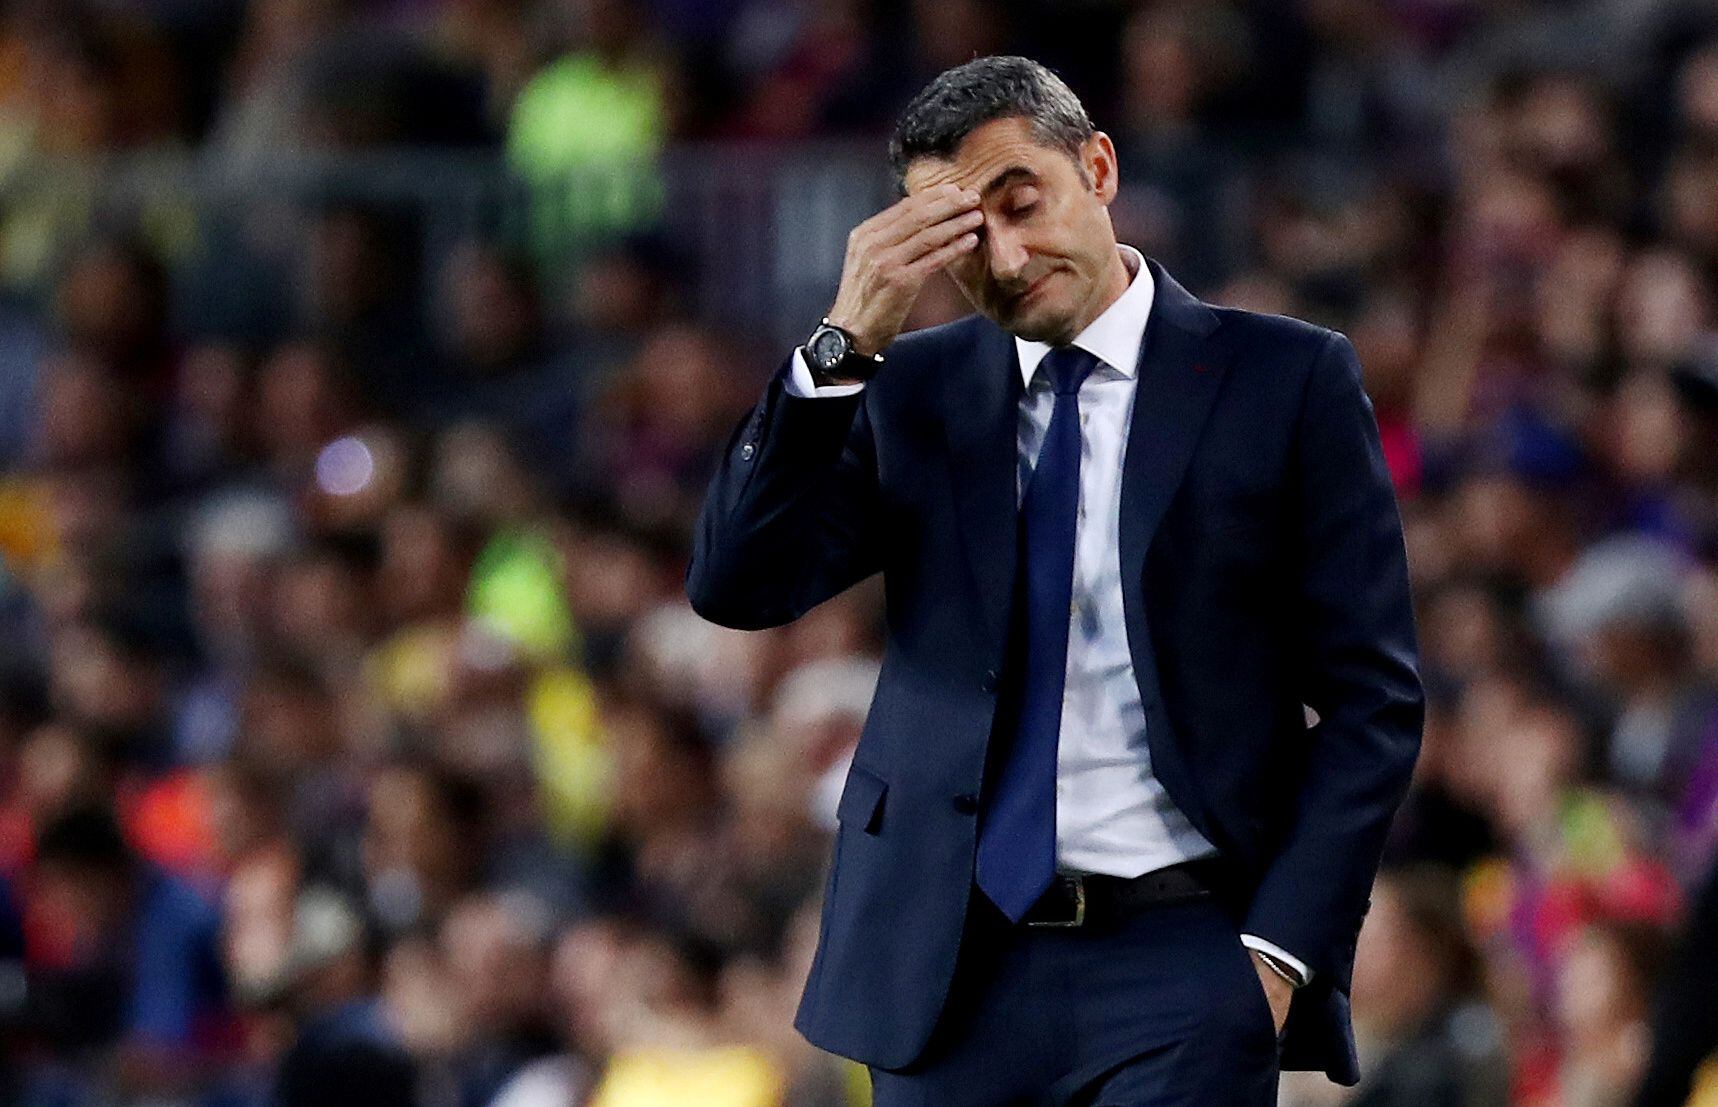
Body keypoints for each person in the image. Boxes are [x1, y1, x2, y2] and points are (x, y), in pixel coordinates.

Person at [687, 56, 1423, 1105]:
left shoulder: (1283, 378)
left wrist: (1278, 954)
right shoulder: (910, 390)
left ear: (1099, 168)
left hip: (1185, 958)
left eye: (1019, 202)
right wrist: (840, 345)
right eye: (960, 235)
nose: (1004, 255)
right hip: (945, 968)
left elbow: (1371, 699)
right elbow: (737, 583)